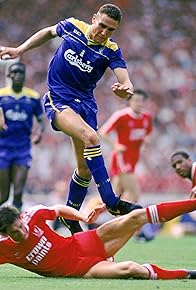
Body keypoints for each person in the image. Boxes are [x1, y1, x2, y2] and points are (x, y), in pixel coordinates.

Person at [0, 4, 143, 234]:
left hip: (85, 105)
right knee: (91, 137)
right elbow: (47, 32)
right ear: (94, 18)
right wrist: (20, 50)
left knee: (84, 170)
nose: (104, 33)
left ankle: (71, 215)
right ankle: (111, 201)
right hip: (59, 99)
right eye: (102, 26)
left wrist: (125, 89)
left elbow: (126, 81)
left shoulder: (111, 49)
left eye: (111, 30)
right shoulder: (73, 26)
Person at [0, 199, 196, 279]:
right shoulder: (4, 248)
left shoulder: (32, 215)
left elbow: (58, 209)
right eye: (15, 232)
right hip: (82, 269)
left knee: (135, 217)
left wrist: (84, 216)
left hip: (81, 243)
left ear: (20, 218)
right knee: (132, 269)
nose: (22, 232)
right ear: (5, 234)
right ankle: (187, 274)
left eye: (21, 226)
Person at [0, 62, 45, 211]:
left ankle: (16, 230)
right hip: (3, 149)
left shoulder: (33, 97)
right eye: (15, 72)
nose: (18, 75)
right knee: (3, 196)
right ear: (9, 75)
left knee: (18, 193)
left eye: (21, 72)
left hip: (22, 149)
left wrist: (39, 133)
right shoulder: (1, 95)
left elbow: (40, 120)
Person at [99, 89, 152, 203]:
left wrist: (146, 141)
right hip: (121, 158)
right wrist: (115, 145)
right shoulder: (121, 116)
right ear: (129, 102)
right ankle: (128, 219)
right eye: (136, 100)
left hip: (134, 158)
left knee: (115, 194)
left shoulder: (147, 117)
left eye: (142, 101)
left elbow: (147, 133)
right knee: (134, 194)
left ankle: (94, 212)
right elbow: (103, 132)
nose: (140, 103)